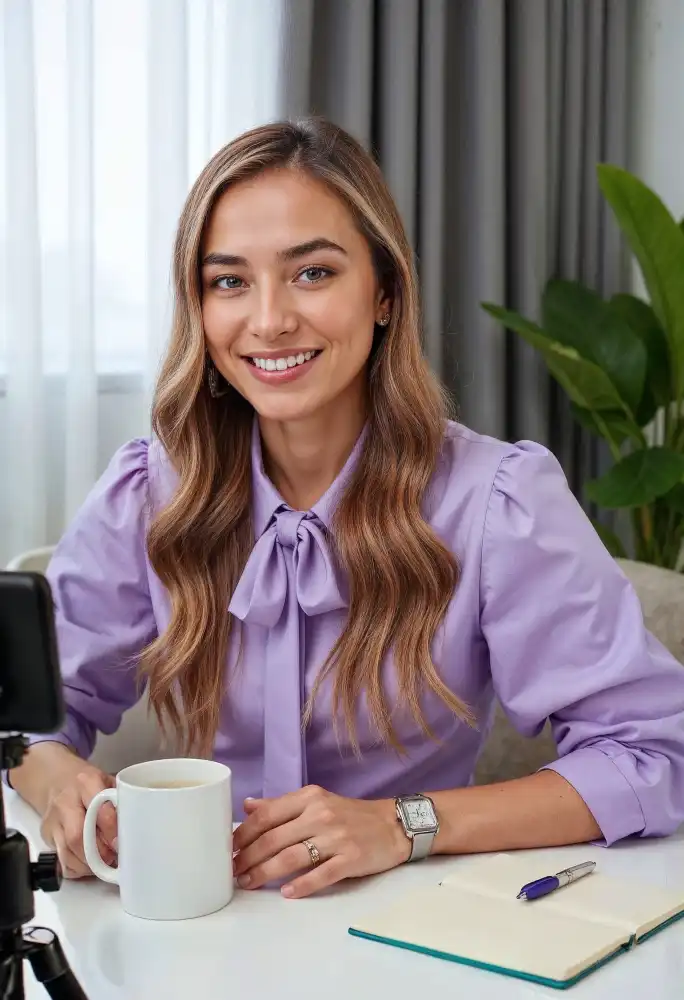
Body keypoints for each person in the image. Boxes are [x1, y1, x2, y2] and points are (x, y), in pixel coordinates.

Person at [9, 118, 684, 901]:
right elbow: (23, 717)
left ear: (386, 291)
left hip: (412, 930)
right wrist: (58, 779)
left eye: (312, 273)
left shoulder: (499, 504)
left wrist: (403, 825)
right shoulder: (147, 495)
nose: (268, 321)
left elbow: (653, 756)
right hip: (189, 931)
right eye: (229, 281)